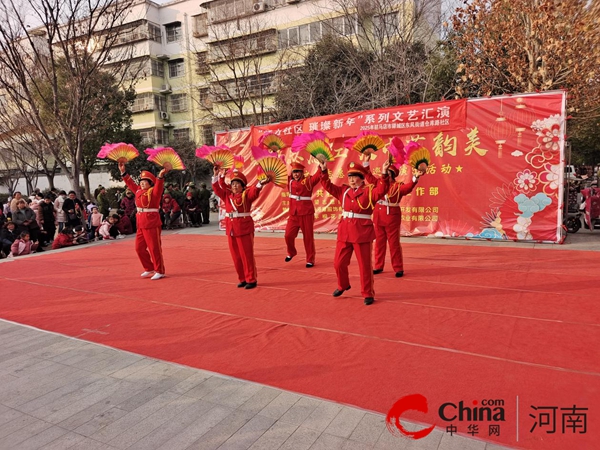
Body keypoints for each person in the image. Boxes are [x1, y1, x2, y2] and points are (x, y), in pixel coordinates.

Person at [318, 159, 390, 306]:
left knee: (364, 266)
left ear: (362, 178)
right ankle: (343, 285)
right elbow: (328, 186)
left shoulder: (369, 191)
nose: (351, 179)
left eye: (354, 176)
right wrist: (323, 171)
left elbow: (382, 189)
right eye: (349, 176)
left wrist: (384, 174)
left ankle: (367, 292)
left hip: (361, 232)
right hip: (344, 231)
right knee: (338, 263)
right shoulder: (344, 191)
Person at [212, 167, 270, 289]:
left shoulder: (246, 195)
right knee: (236, 256)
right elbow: (217, 188)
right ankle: (242, 278)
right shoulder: (227, 195)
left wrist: (260, 183)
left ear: (243, 186)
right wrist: (216, 176)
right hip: (231, 228)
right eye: (233, 184)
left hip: (244, 228)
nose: (235, 186)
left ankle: (251, 279)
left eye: (238, 184)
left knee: (246, 255)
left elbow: (254, 192)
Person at [365, 163, 425, 277]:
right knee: (379, 243)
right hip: (378, 217)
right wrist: (366, 162)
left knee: (394, 244)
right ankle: (378, 266)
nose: (385, 174)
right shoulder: (378, 183)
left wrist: (415, 177)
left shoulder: (397, 186)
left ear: (392, 175)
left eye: (388, 172)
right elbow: (368, 176)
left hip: (392, 218)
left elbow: (408, 187)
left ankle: (398, 268)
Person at [119, 162, 170, 280]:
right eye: (141, 182)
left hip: (151, 223)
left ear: (150, 183)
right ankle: (149, 267)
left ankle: (159, 270)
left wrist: (161, 174)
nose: (142, 184)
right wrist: (123, 172)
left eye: (145, 182)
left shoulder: (154, 192)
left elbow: (159, 185)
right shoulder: (137, 191)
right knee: (139, 248)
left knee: (154, 248)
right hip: (141, 223)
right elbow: (129, 182)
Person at [284, 162, 321, 268]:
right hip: (293, 214)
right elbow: (277, 178)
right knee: (288, 235)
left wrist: (321, 166)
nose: (296, 174)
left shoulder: (308, 181)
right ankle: (291, 252)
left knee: (308, 237)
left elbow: (317, 176)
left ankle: (310, 259)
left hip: (306, 213)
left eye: (298, 172)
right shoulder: (289, 181)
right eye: (294, 172)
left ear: (302, 172)